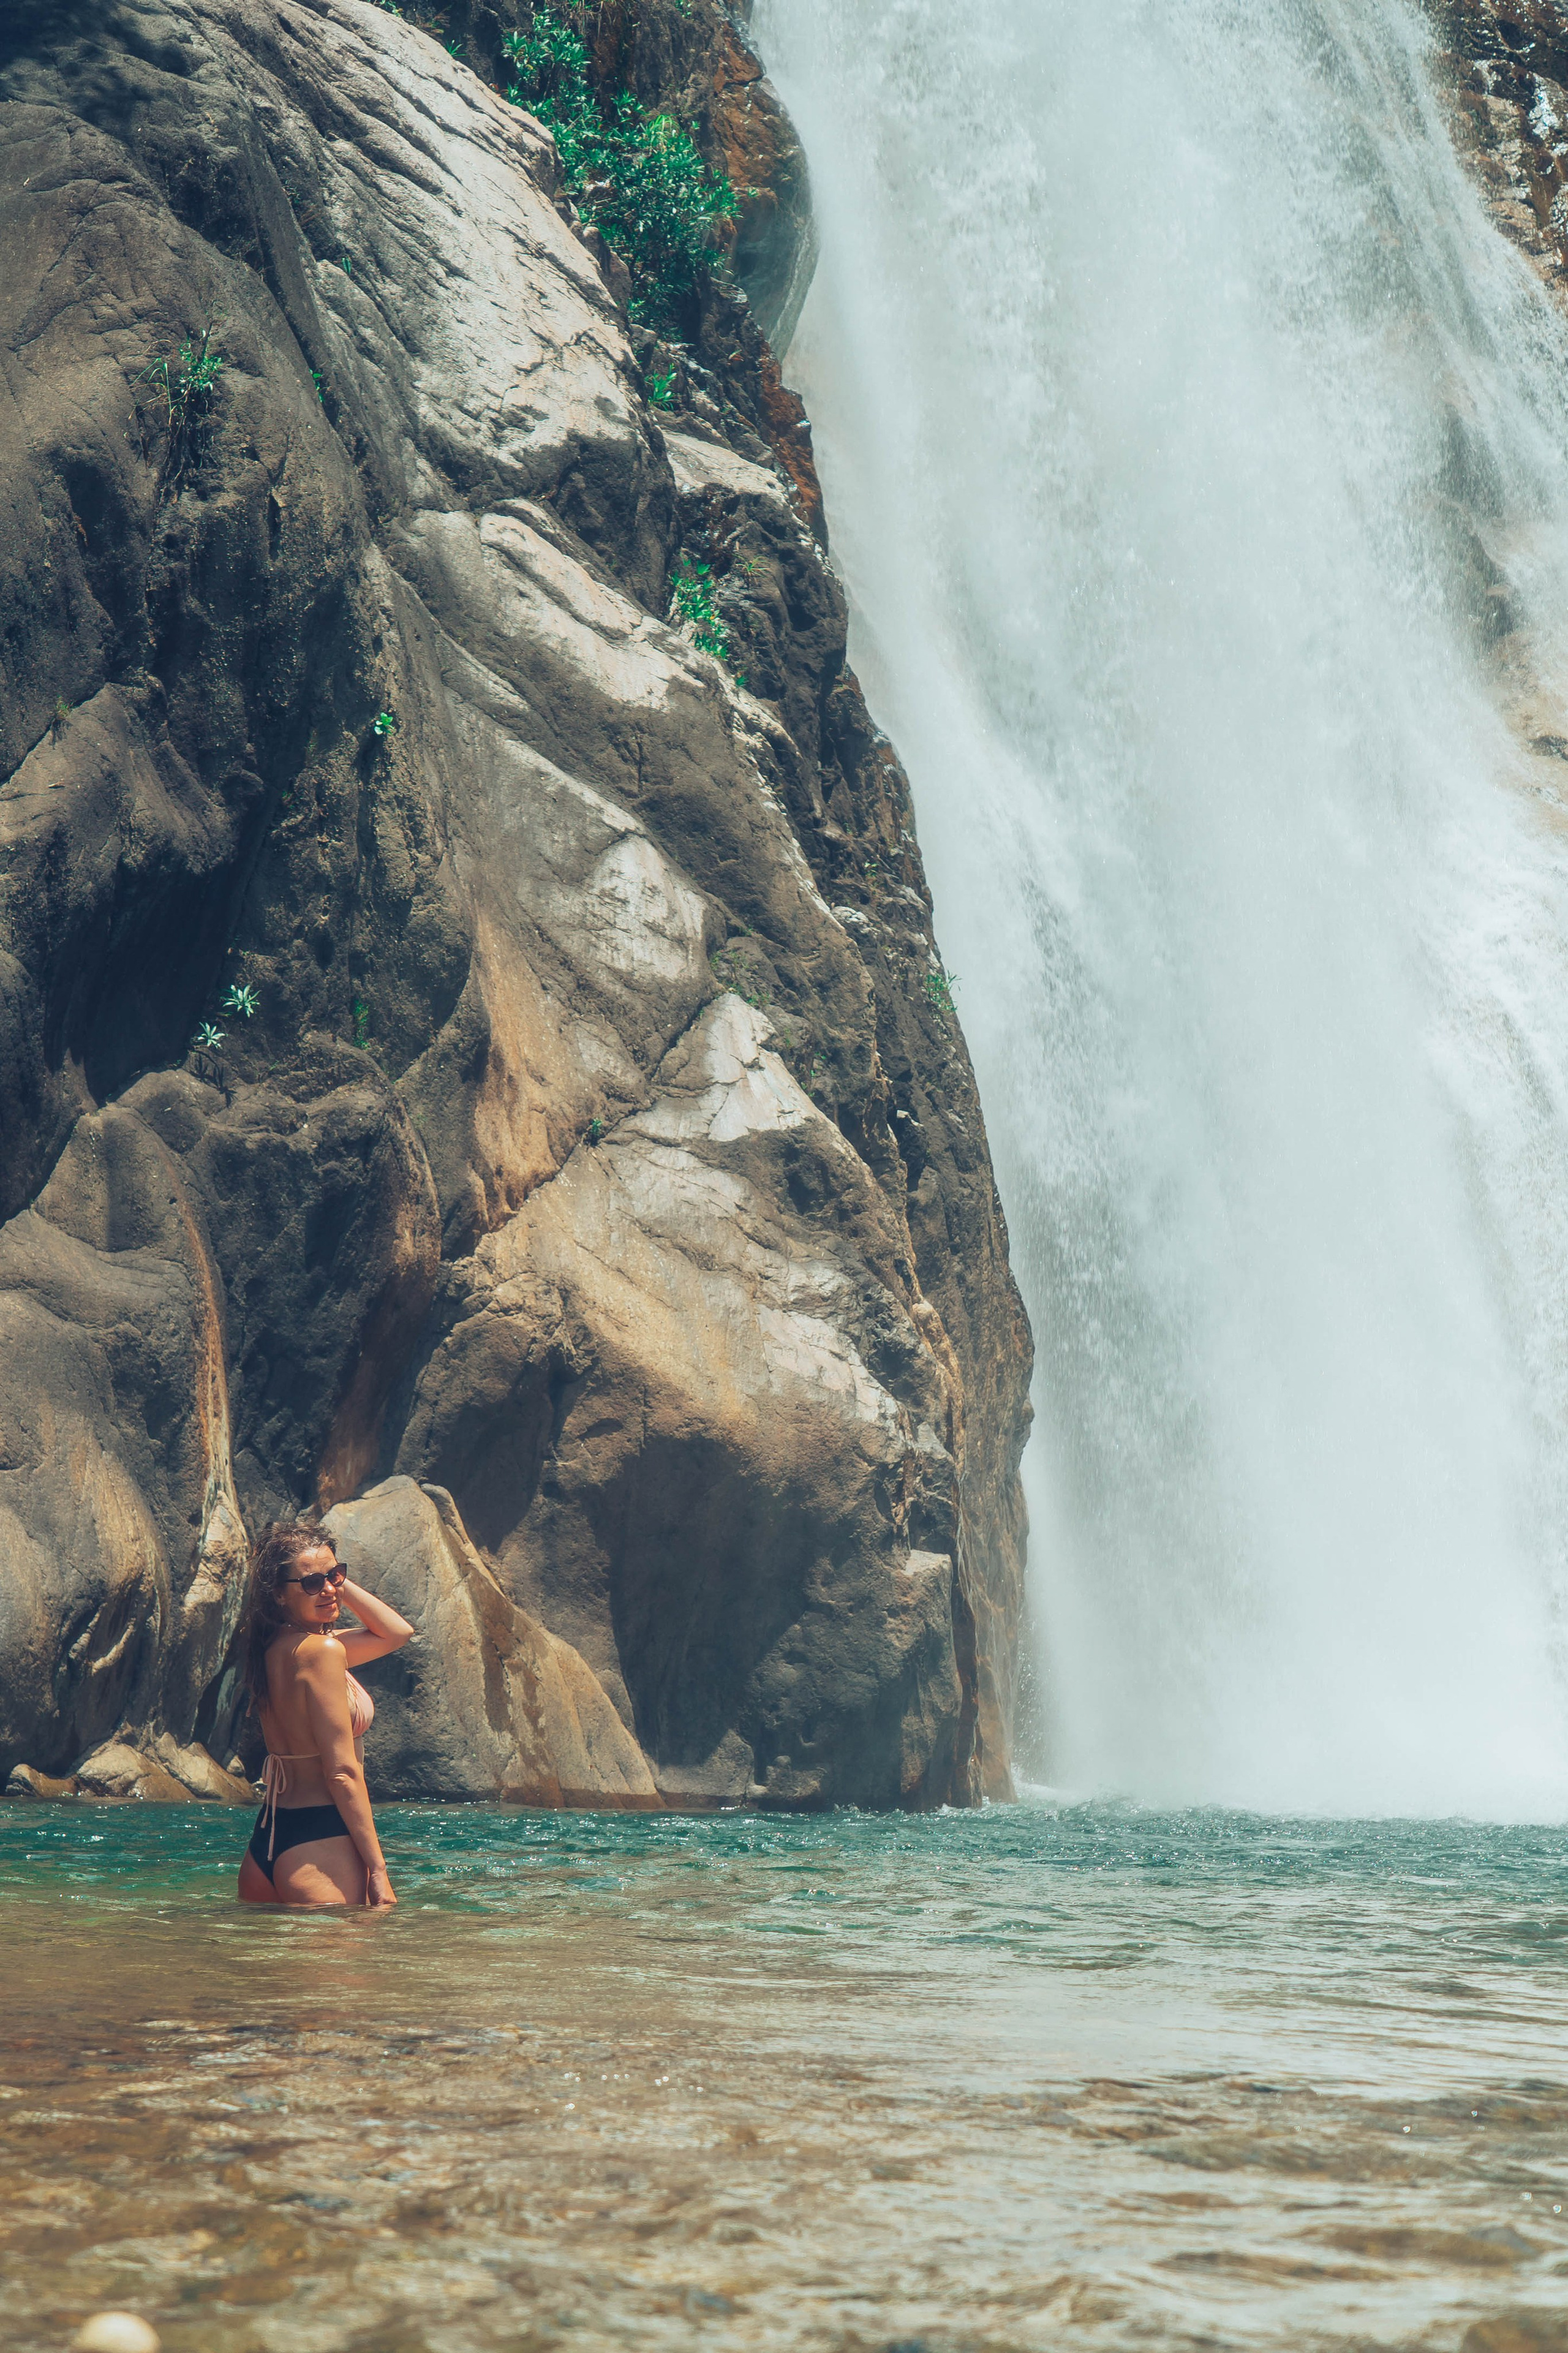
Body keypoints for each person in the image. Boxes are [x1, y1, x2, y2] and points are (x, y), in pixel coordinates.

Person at [235, 1522, 413, 1908]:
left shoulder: (272, 1651)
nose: (330, 1589)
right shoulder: (323, 1654)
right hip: (320, 1840)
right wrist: (379, 1871)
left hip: (268, 1839)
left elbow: (397, 1633)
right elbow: (342, 1773)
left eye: (335, 1576)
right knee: (345, 1969)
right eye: (311, 1583)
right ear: (278, 1595)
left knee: (261, 1970)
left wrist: (327, 1581)